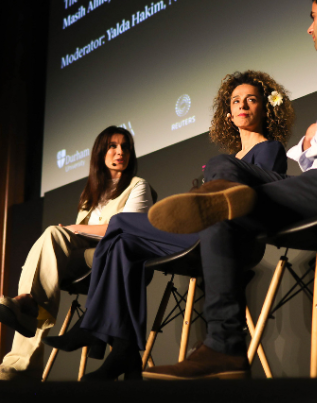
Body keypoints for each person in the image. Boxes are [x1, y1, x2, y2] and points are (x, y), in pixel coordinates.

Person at [142, 0, 317, 380]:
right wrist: (313, 140)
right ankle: (221, 196)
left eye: (314, 16)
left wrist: (311, 140)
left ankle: (224, 346)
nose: (309, 27)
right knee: (224, 168)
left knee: (223, 201)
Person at [42, 70, 295, 381]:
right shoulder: (230, 158)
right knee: (122, 244)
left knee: (120, 222)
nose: (242, 105)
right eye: (236, 101)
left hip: (230, 238)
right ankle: (124, 350)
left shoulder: (269, 148)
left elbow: (256, 201)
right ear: (228, 115)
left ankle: (93, 325)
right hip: (203, 233)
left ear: (264, 108)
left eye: (251, 100)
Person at [0, 126, 153, 381]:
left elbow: (127, 230)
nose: (120, 152)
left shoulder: (137, 186)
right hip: (87, 262)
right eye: (113, 146)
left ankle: (24, 339)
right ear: (100, 152)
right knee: (52, 242)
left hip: (115, 259)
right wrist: (73, 231)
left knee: (57, 235)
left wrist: (76, 228)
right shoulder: (91, 195)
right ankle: (26, 314)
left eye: (125, 147)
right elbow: (78, 241)